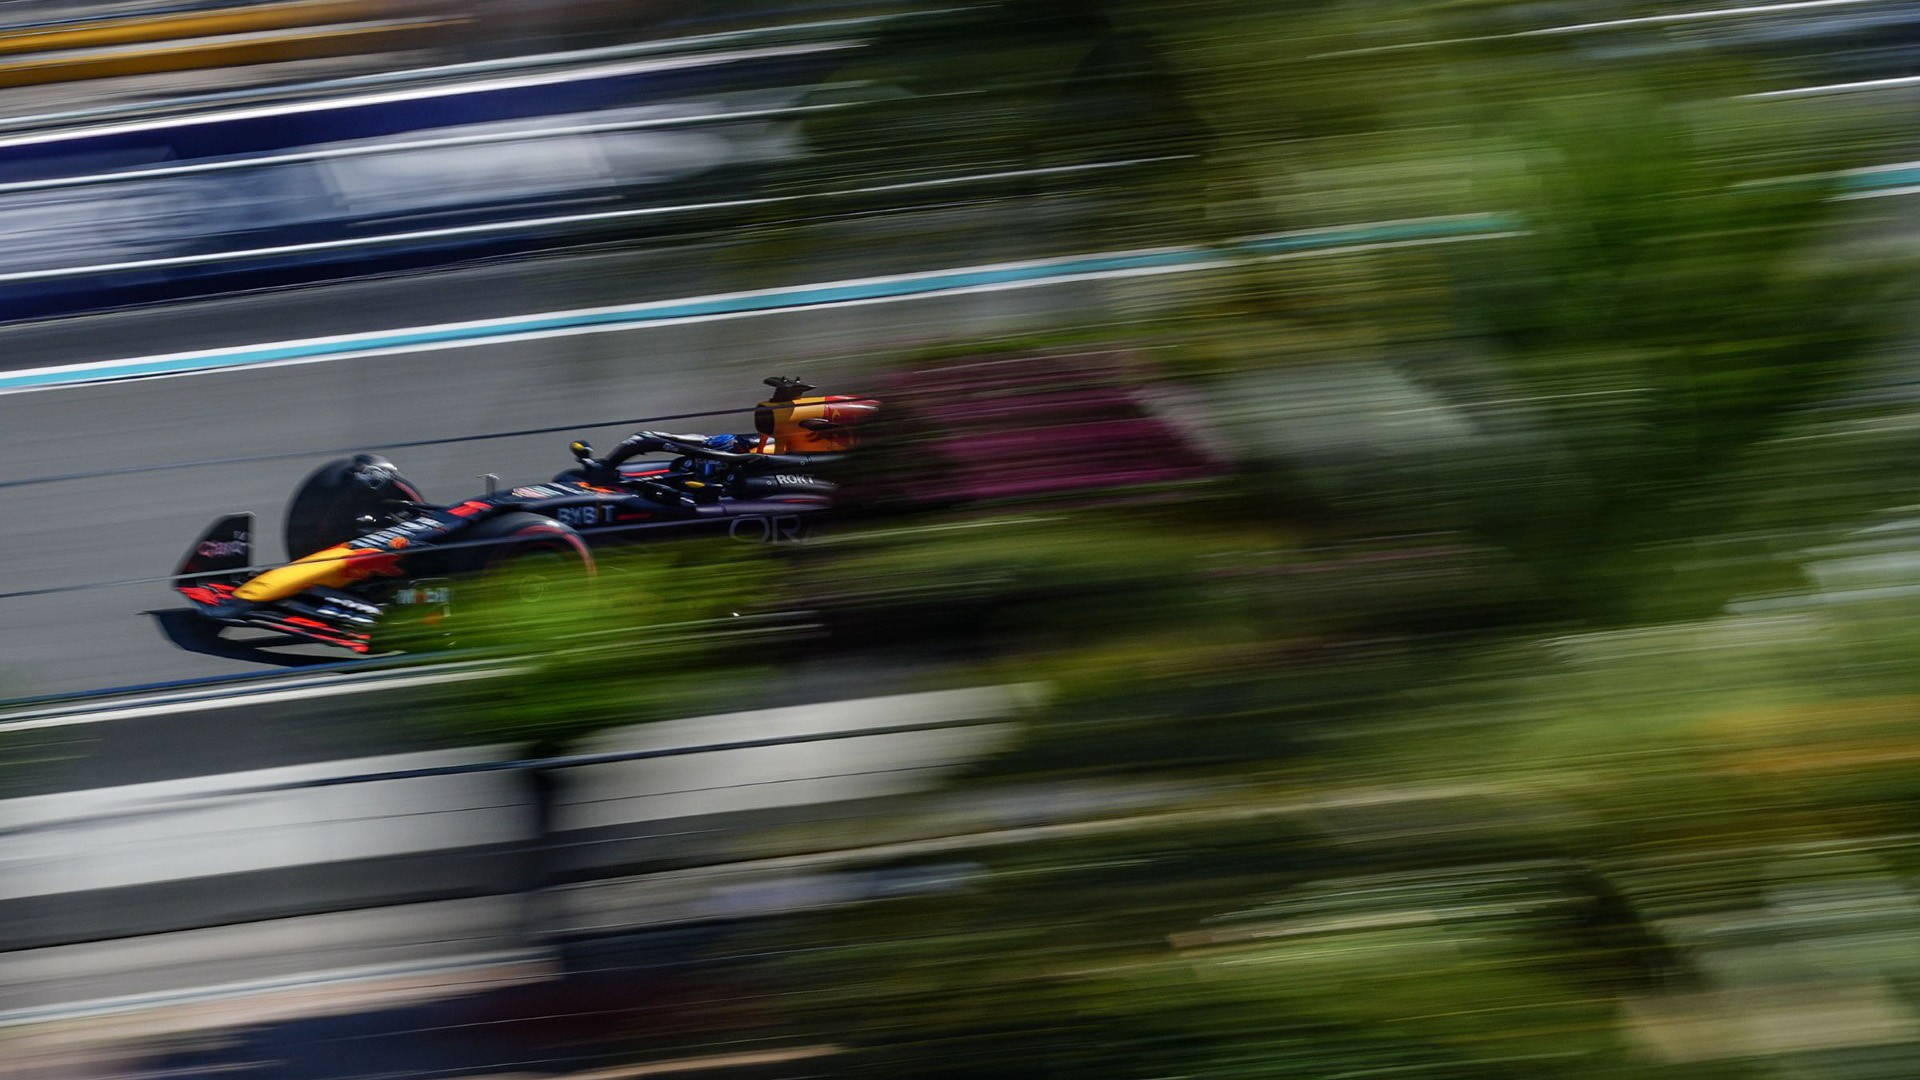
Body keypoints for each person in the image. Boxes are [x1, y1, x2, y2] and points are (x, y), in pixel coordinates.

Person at [575, 376, 879, 492]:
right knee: (649, 438)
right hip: (773, 453)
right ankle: (606, 468)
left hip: (781, 468)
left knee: (735, 471)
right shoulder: (784, 436)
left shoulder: (846, 451)